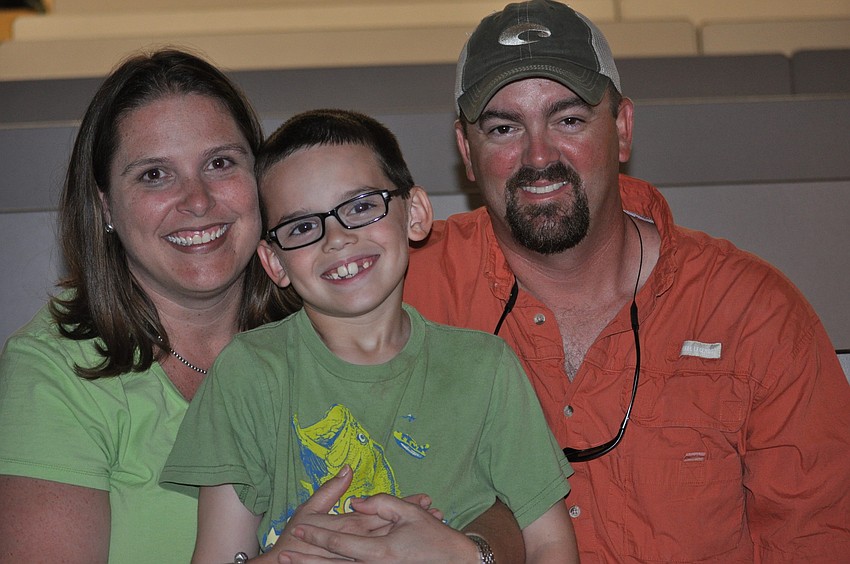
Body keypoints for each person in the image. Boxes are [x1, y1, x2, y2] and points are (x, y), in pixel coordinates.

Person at [0, 49, 518, 564]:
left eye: (220, 163)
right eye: (154, 175)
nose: (197, 200)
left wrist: (471, 553)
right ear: (105, 206)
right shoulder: (54, 375)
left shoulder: (343, 304)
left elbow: (508, 498)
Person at [405, 1, 850, 562]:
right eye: (503, 128)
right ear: (467, 152)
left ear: (621, 129)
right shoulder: (403, 292)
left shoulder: (751, 316)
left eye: (568, 120)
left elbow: (821, 539)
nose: (538, 156)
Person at [160, 109, 578, 563]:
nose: (336, 239)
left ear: (414, 214)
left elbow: (550, 543)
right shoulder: (248, 372)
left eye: (361, 207)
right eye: (302, 227)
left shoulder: (486, 367)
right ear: (275, 262)